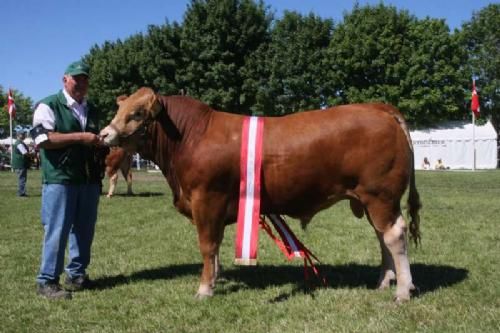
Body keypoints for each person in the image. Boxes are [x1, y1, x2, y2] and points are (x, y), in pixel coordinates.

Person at [31, 60, 106, 300]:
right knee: (57, 230)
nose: (81, 83)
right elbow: (42, 139)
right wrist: (81, 137)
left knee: (84, 230)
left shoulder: (92, 109)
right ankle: (47, 281)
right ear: (65, 79)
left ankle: (76, 275)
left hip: (89, 179)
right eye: (76, 79)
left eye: (85, 79)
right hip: (60, 179)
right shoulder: (47, 105)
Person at [12, 131, 31, 196]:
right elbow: (25, 153)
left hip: (19, 163)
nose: (24, 135)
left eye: (24, 134)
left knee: (21, 178)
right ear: (18, 135)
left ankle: (21, 192)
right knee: (22, 179)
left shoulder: (19, 143)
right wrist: (32, 154)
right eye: (22, 134)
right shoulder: (19, 143)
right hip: (20, 164)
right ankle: (21, 193)